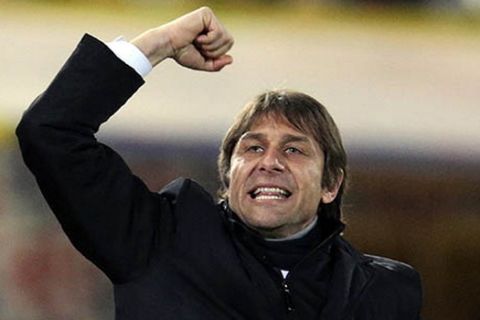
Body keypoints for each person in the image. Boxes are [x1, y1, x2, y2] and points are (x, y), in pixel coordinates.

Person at [16, 7, 422, 320]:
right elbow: (50, 131)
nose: (270, 162)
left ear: (331, 184)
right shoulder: (157, 240)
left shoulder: (387, 291)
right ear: (229, 177)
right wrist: (161, 44)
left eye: (294, 150)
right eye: (252, 148)